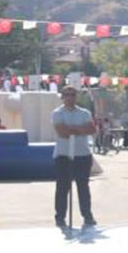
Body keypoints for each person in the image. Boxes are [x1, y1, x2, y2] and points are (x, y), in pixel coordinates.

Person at [51, 86, 97, 228]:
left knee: (83, 187)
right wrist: (80, 129)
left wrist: (72, 129)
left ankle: (87, 216)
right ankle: (60, 217)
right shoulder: (57, 113)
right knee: (62, 187)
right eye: (67, 95)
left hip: (82, 154)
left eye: (72, 95)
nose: (70, 97)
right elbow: (62, 132)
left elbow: (91, 129)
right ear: (62, 97)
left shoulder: (84, 113)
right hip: (63, 155)